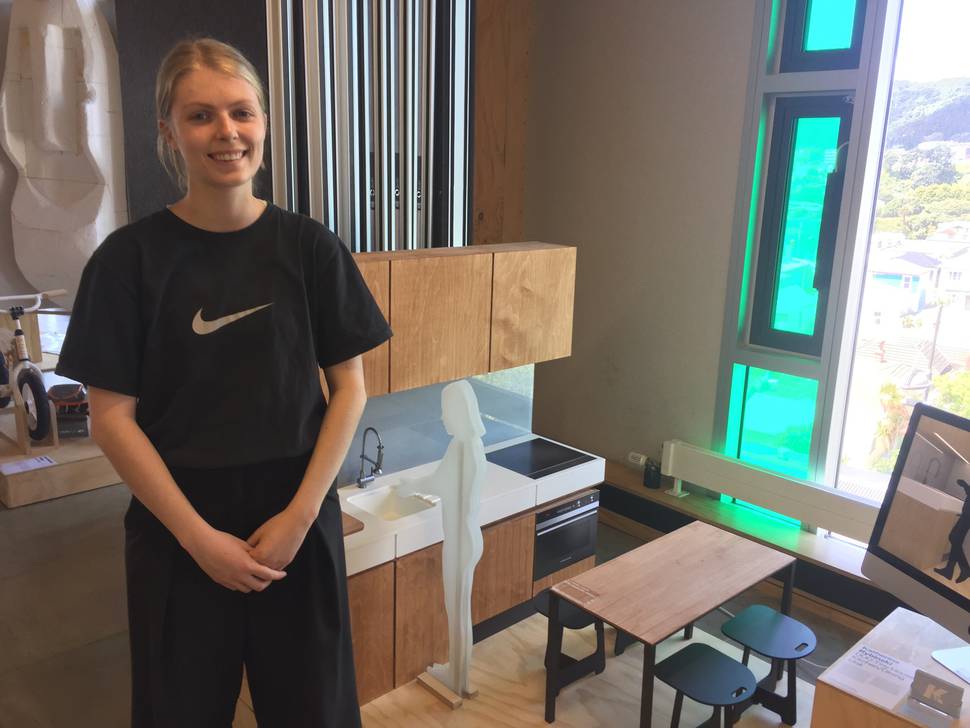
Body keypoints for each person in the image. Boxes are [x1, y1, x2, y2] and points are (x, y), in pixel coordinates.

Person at [55, 37, 391, 728]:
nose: (227, 132)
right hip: (177, 526)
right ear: (168, 131)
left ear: (264, 122)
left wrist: (301, 516)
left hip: (295, 518)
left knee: (315, 713)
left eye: (241, 112)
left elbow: (349, 387)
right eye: (200, 115)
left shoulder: (311, 248)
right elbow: (111, 418)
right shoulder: (126, 262)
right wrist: (196, 538)